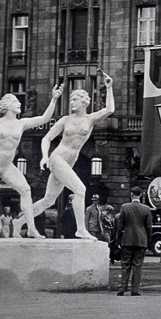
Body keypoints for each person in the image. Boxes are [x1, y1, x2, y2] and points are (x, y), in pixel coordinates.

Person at [17, 75, 114, 240]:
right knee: (80, 190)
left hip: (68, 162)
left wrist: (110, 87)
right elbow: (46, 138)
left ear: (85, 102)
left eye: (75, 99)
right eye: (71, 99)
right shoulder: (65, 120)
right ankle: (81, 229)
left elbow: (110, 109)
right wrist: (44, 157)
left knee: (48, 200)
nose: (71, 102)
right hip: (57, 158)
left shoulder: (90, 119)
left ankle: (18, 223)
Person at [0, 83, 63, 238]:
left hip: (7, 166)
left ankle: (31, 228)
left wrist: (54, 99)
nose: (20, 104)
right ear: (7, 105)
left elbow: (45, 118)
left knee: (26, 190)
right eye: (16, 102)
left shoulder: (21, 124)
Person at [116, 186, 152, 296]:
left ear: (131, 195)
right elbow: (149, 227)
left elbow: (120, 225)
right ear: (141, 195)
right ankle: (135, 289)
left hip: (127, 239)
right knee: (138, 265)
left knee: (125, 264)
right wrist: (148, 241)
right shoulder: (146, 209)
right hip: (141, 240)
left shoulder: (124, 207)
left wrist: (118, 239)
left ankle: (122, 288)